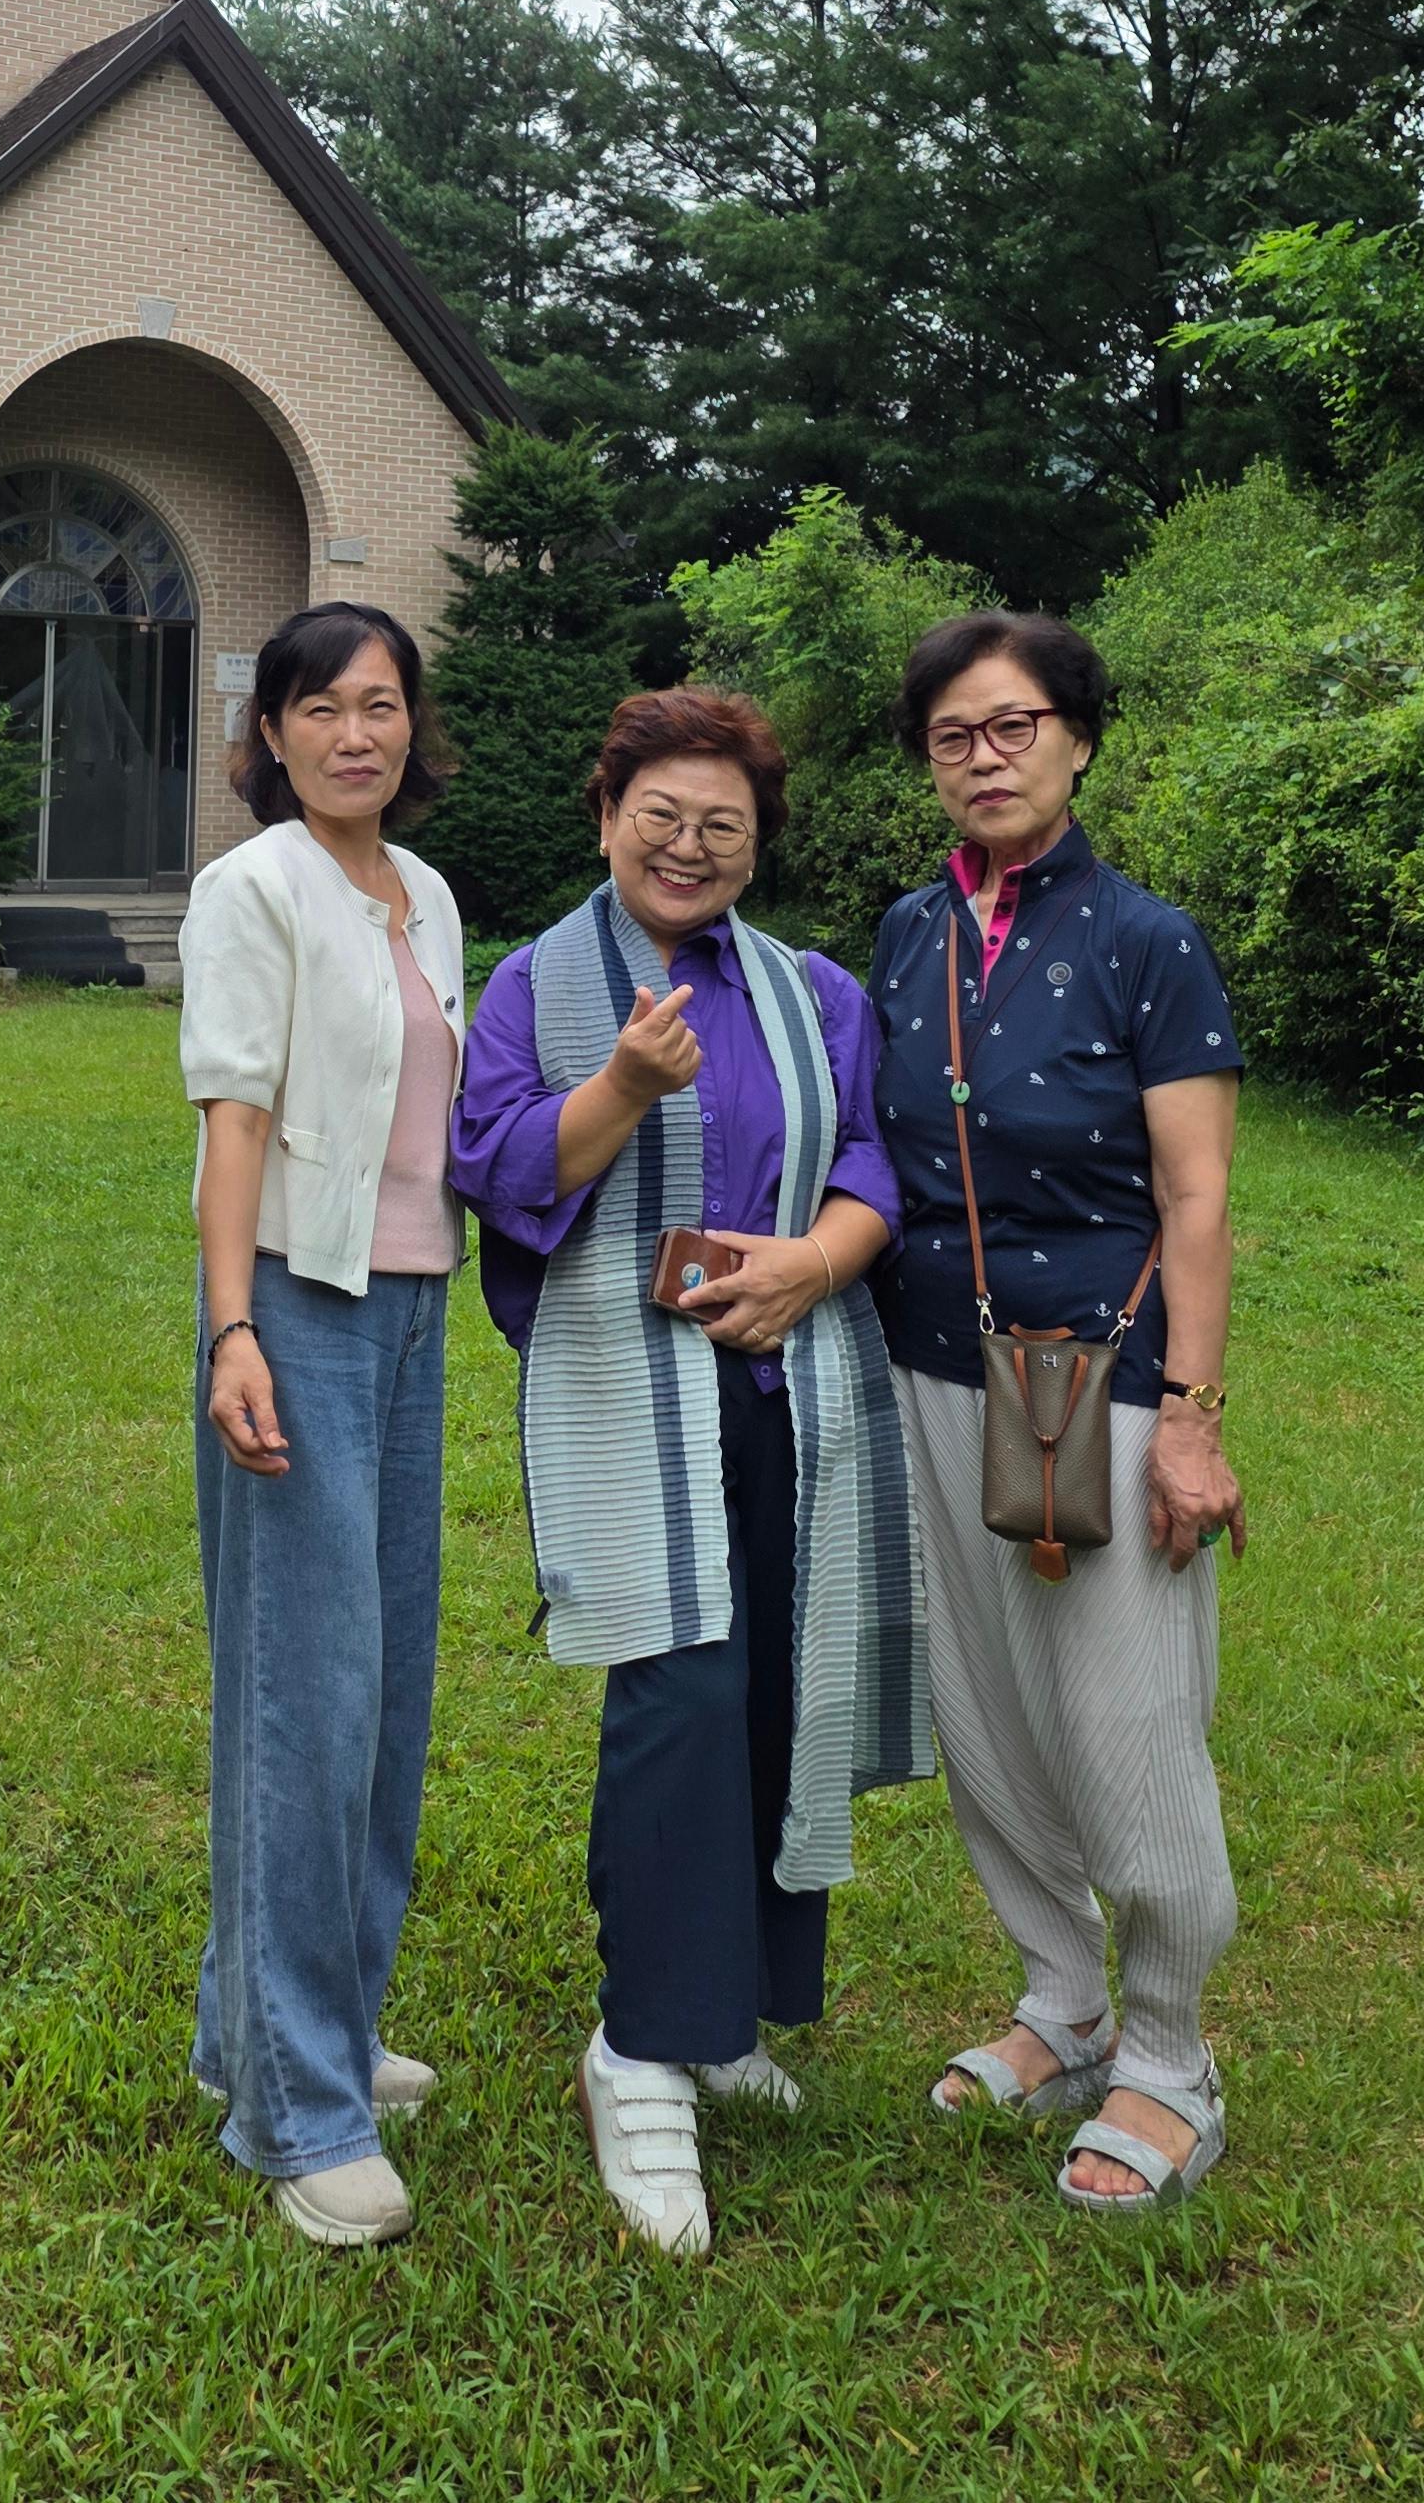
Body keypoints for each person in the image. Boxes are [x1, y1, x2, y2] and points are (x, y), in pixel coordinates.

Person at [450, 686, 931, 2259]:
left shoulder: (811, 991)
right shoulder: (538, 984)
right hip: (627, 1392)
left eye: (723, 824)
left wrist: (814, 1263)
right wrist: (623, 1089)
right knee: (680, 1691)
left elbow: (872, 1159)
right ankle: (642, 2048)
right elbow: (497, 1168)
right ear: (606, 817)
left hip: (792, 1377)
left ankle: (727, 2014)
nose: (689, 845)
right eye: (659, 814)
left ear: (756, 845)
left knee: (782, 1687)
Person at [870, 611, 1249, 2215]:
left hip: (1101, 1381)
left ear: (1078, 742)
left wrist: (1193, 1418)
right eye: (954, 735)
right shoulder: (908, 934)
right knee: (989, 1716)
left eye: (1015, 726)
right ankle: (1065, 2001)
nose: (986, 757)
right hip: (932, 1373)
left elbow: (1199, 1195)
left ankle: (1170, 2055)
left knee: (1125, 1720)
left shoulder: (1148, 941)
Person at [176, 600, 469, 2251]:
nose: (357, 734)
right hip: (294, 1309)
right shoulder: (256, 888)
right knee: (304, 1696)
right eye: (322, 709)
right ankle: (296, 2112)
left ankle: (303, 2026)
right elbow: (236, 1119)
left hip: (413, 1312)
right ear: (272, 734)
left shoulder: (425, 893)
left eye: (381, 705)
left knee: (382, 1688)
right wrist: (232, 1328)